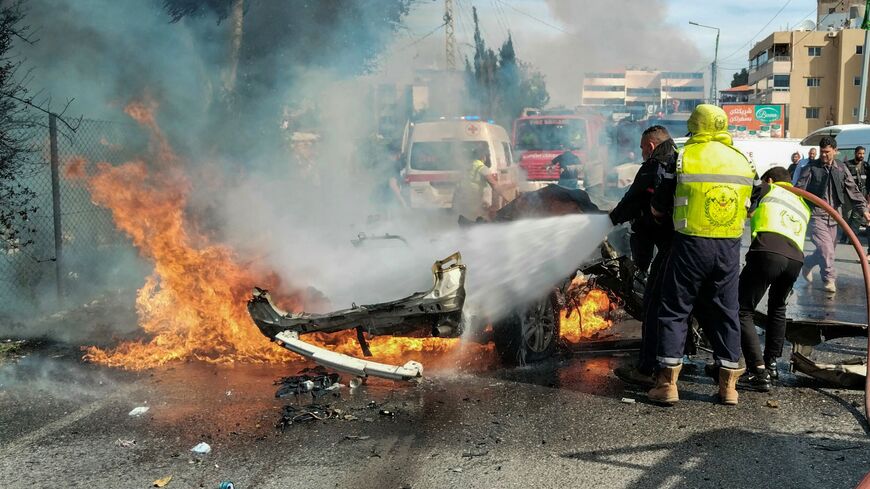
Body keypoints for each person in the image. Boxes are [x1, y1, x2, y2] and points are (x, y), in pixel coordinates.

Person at [647, 104, 759, 406]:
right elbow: (756, 196)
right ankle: (728, 389)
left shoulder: (683, 157)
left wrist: (660, 214)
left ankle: (667, 385)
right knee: (726, 312)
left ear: (696, 126)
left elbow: (659, 204)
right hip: (728, 247)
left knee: (675, 309)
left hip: (690, 245)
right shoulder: (742, 160)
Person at [608, 125, 678, 387]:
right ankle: (725, 370)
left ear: (650, 146)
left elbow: (633, 201)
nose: (641, 153)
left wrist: (610, 220)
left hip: (671, 247)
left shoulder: (654, 165)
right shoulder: (681, 160)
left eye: (641, 148)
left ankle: (648, 369)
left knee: (654, 305)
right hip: (705, 246)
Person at [737, 166, 810, 392]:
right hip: (795, 259)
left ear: (770, 179)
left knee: (742, 309)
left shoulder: (768, 188)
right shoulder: (802, 202)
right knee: (777, 307)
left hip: (768, 252)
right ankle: (771, 364)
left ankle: (757, 371)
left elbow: (746, 196)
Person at [796, 136, 870, 293]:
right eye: (822, 152)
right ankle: (829, 279)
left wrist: (864, 210)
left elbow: (853, 190)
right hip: (816, 216)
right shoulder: (811, 168)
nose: (823, 155)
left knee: (825, 251)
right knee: (827, 250)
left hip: (835, 217)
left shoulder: (841, 168)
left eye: (827, 152)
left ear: (835, 151)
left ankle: (808, 263)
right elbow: (799, 189)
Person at [452, 144, 511, 220]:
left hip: (460, 196)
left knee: (465, 217)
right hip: (472, 197)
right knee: (481, 217)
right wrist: (506, 197)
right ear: (483, 157)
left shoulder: (467, 166)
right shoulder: (482, 168)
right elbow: (494, 185)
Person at [839, 146, 868, 244]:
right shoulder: (847, 165)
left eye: (863, 154)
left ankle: (853, 239)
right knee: (847, 218)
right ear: (855, 153)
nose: (861, 155)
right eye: (860, 153)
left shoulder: (866, 166)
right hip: (848, 196)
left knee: (857, 218)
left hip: (861, 196)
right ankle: (844, 237)